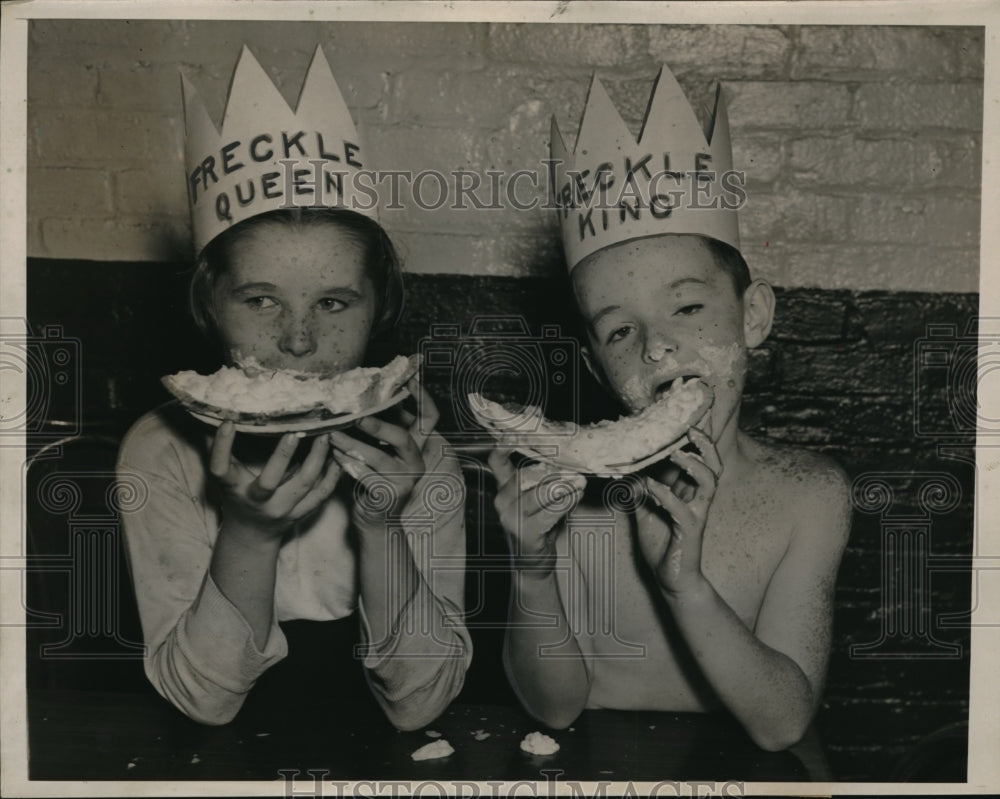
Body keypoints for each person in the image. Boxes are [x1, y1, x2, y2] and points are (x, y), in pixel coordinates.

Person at [490, 66, 850, 752]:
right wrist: (530, 571)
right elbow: (554, 710)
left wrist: (685, 585)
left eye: (686, 307)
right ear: (595, 365)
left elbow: (782, 723)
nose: (656, 346)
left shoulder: (811, 496)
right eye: (620, 330)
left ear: (753, 316)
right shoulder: (570, 498)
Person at [117, 46, 470, 729]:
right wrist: (249, 535)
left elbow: (420, 706)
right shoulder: (160, 451)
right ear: (209, 307)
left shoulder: (422, 458)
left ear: (379, 310)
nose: (300, 341)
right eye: (261, 300)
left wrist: (383, 525)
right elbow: (203, 701)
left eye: (334, 303)